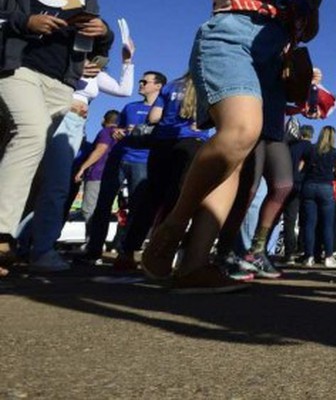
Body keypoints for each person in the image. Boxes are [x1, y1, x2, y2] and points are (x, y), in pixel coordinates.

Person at [141, 0, 314, 293]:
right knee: (239, 131)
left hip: (273, 55)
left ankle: (195, 264)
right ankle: (172, 228)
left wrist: (310, 4)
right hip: (233, 36)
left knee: (240, 161)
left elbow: (308, 31)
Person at [0, 0, 111, 274]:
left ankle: (42, 249)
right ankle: (1, 235)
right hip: (18, 68)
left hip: (62, 83)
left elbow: (96, 45)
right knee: (30, 131)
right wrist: (25, 22)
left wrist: (103, 35)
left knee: (54, 170)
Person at [26, 40, 135, 272]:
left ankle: (39, 247)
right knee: (32, 181)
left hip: (74, 125)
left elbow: (123, 90)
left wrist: (127, 61)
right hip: (53, 115)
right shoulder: (58, 58)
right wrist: (72, 70)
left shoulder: (95, 73)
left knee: (56, 185)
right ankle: (20, 241)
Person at [113, 73, 211, 272]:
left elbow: (154, 117)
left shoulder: (171, 87)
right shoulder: (209, 85)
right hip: (191, 143)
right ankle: (160, 253)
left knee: (151, 198)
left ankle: (127, 252)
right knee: (177, 199)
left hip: (162, 142)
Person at [83, 70, 166, 261]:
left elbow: (162, 134)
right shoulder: (129, 107)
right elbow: (117, 129)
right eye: (141, 81)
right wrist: (118, 133)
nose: (141, 84)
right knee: (103, 205)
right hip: (119, 159)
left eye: (145, 81)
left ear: (158, 86)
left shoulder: (163, 110)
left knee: (137, 209)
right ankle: (93, 249)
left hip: (142, 162)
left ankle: (125, 251)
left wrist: (140, 132)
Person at [300, 125, 336, 267]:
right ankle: (329, 257)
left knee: (309, 224)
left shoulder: (310, 149)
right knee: (327, 224)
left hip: (309, 186)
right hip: (325, 187)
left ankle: (309, 257)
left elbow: (300, 168)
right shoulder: (335, 153)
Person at [280, 123, 314, 264]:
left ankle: (289, 254)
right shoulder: (313, 149)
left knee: (289, 220)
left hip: (290, 183)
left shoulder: (291, 146)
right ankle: (306, 252)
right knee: (307, 222)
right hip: (307, 187)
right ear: (311, 135)